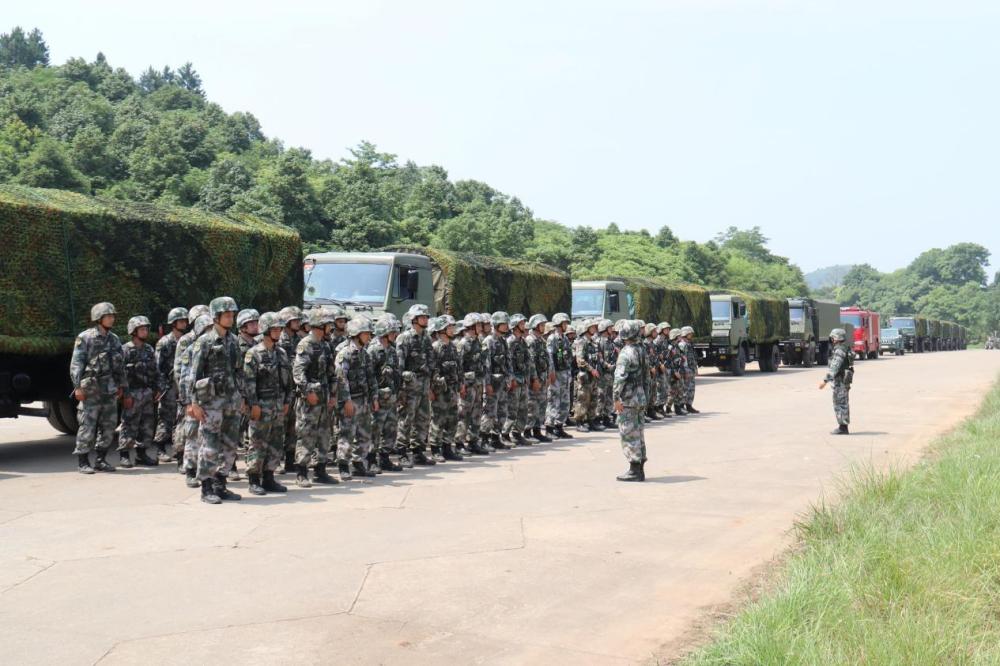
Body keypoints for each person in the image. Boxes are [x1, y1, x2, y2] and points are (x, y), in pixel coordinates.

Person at [186, 297, 243, 504]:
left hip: (231, 401)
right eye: (227, 315)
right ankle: (207, 487)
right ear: (216, 317)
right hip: (210, 402)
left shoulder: (234, 340)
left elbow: (239, 372)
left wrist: (241, 397)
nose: (231, 318)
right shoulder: (205, 341)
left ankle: (221, 483)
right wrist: (193, 403)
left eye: (232, 315)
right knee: (209, 444)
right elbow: (194, 373)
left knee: (229, 445)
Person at [70, 302, 126, 474]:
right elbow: (76, 364)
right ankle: (83, 460)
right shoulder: (85, 338)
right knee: (88, 424)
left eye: (112, 316)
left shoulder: (114, 339)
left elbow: (120, 365)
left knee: (109, 425)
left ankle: (101, 459)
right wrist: (77, 387)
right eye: (108, 316)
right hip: (91, 389)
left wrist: (121, 385)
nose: (112, 319)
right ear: (99, 318)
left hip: (109, 388)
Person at [242, 312, 292, 495]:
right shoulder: (253, 354)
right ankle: (254, 479)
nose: (278, 332)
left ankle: (269, 477)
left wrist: (287, 401)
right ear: (265, 330)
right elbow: (248, 382)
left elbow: (287, 381)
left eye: (280, 328)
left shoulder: (281, 353)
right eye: (275, 329)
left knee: (275, 442)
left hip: (278, 406)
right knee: (257, 442)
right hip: (261, 406)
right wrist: (253, 404)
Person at [292, 308, 339, 487]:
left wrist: (333, 395)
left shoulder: (326, 345)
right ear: (320, 325)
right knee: (306, 434)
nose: (331, 328)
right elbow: (298, 371)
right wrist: (307, 392)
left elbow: (332, 373)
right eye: (328, 324)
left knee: (325, 434)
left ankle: (321, 470)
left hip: (325, 399)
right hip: (310, 400)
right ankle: (301, 472)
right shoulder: (306, 344)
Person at [335, 316, 379, 479]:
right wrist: (346, 400)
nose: (368, 336)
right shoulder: (344, 354)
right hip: (350, 400)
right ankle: (343, 465)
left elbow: (371, 377)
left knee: (364, 432)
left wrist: (374, 397)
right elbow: (341, 379)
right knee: (347, 433)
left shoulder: (365, 354)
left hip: (364, 400)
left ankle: (359, 463)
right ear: (356, 334)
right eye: (366, 333)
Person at [174, 312, 213, 487]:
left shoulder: (217, 347)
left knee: (210, 437)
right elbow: (183, 378)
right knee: (192, 435)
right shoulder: (191, 350)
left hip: (212, 401)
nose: (210, 332)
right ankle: (190, 471)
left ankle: (208, 472)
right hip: (194, 400)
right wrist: (187, 403)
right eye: (207, 329)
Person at [396, 304, 436, 466]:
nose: (426, 319)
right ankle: (401, 452)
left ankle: (418, 452)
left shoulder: (426, 338)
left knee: (423, 419)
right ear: (414, 320)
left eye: (426, 317)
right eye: (422, 317)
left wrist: (431, 385)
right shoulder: (404, 338)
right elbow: (399, 367)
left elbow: (431, 362)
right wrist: (401, 390)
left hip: (424, 386)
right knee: (406, 420)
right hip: (409, 388)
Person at [118, 316, 158, 468]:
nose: (145, 331)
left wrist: (156, 389)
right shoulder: (125, 350)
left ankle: (142, 454)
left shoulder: (149, 349)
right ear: (133, 331)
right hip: (132, 393)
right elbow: (120, 374)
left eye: (146, 329)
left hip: (147, 392)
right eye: (142, 329)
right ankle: (124, 455)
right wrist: (125, 394)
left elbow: (155, 371)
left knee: (147, 425)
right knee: (129, 424)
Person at [367, 314, 404, 472]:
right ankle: (370, 459)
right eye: (392, 332)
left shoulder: (392, 350)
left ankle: (385, 458)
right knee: (375, 428)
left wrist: (398, 392)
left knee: (390, 428)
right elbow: (369, 376)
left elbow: (396, 373)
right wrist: (373, 397)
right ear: (384, 332)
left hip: (391, 397)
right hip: (378, 398)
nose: (395, 335)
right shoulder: (373, 350)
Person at [153, 307, 188, 462]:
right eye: (180, 321)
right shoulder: (165, 342)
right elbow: (157, 367)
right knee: (166, 418)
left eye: (185, 320)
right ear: (173, 323)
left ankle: (177, 448)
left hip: (181, 384)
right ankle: (160, 448)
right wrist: (161, 388)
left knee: (180, 418)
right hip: (168, 385)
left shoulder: (187, 340)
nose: (184, 323)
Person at [613, 320, 647, 482]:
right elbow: (646, 376)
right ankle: (640, 468)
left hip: (628, 399)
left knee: (628, 433)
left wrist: (616, 398)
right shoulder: (642, 350)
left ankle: (634, 470)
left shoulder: (626, 352)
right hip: (640, 397)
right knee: (638, 432)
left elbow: (619, 377)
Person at [429, 316, 465, 461]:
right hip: (440, 391)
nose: (453, 330)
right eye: (450, 327)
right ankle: (435, 448)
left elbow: (459, 367)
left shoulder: (453, 346)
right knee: (438, 419)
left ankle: (447, 447)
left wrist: (461, 383)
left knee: (452, 418)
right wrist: (431, 389)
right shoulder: (435, 347)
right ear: (442, 330)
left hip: (452, 389)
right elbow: (431, 370)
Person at [455, 313, 488, 455]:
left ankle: (473, 441)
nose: (481, 327)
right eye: (478, 325)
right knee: (464, 414)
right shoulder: (463, 344)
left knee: (476, 413)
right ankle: (459, 442)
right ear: (471, 327)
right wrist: (461, 385)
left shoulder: (478, 342)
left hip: (478, 383)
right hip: (467, 385)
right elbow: (459, 367)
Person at [277, 306, 304, 474]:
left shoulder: (299, 339)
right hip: (282, 388)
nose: (298, 323)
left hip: (294, 389)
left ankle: (289, 459)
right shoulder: (280, 340)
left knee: (294, 426)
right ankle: (277, 460)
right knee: (280, 425)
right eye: (295, 320)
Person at [481, 311, 513, 450]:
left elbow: (508, 361)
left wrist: (509, 378)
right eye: (503, 324)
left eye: (506, 324)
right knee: (490, 413)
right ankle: (483, 439)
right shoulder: (489, 341)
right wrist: (487, 384)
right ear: (496, 324)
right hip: (492, 384)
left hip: (502, 383)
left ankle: (495, 438)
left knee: (502, 412)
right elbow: (486, 365)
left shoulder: (503, 341)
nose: (506, 327)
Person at [502, 314, 533, 446]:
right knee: (512, 409)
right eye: (521, 324)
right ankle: (505, 434)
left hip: (523, 380)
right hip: (514, 380)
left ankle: (517, 433)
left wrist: (529, 377)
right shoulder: (510, 341)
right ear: (515, 326)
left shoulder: (523, 341)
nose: (524, 326)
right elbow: (507, 363)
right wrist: (511, 379)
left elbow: (528, 360)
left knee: (523, 408)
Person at [544, 313, 574, 439]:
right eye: (564, 323)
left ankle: (559, 426)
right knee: (554, 401)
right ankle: (549, 428)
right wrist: (551, 373)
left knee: (565, 402)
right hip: (556, 374)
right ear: (558, 324)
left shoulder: (565, 339)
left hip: (565, 374)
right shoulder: (552, 338)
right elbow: (550, 357)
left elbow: (568, 357)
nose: (566, 325)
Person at [819, 328, 854, 435]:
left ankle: (843, 428)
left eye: (833, 337)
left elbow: (835, 366)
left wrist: (825, 381)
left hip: (840, 380)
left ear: (837, 338)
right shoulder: (844, 348)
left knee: (840, 403)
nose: (832, 339)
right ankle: (843, 426)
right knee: (842, 402)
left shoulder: (839, 350)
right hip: (843, 379)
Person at [525, 314, 553, 442]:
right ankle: (527, 431)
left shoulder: (541, 340)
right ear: (535, 326)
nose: (543, 327)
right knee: (532, 406)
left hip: (542, 377)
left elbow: (545, 360)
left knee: (541, 405)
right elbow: (531, 362)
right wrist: (534, 379)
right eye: (541, 325)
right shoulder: (530, 340)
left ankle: (537, 430)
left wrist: (547, 376)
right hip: (534, 379)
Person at [573, 320, 603, 432]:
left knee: (594, 399)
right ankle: (579, 422)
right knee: (583, 399)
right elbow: (580, 360)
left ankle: (591, 421)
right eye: (592, 327)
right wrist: (591, 369)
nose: (595, 329)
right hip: (585, 376)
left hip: (594, 376)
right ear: (587, 328)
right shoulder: (582, 342)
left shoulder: (593, 343)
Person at [680, 326, 700, 413]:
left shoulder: (689, 344)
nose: (691, 335)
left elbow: (693, 358)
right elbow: (683, 358)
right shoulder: (682, 345)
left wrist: (695, 369)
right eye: (690, 334)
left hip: (691, 369)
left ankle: (689, 405)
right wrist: (685, 370)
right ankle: (681, 406)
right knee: (685, 388)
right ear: (685, 334)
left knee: (691, 389)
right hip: (686, 370)